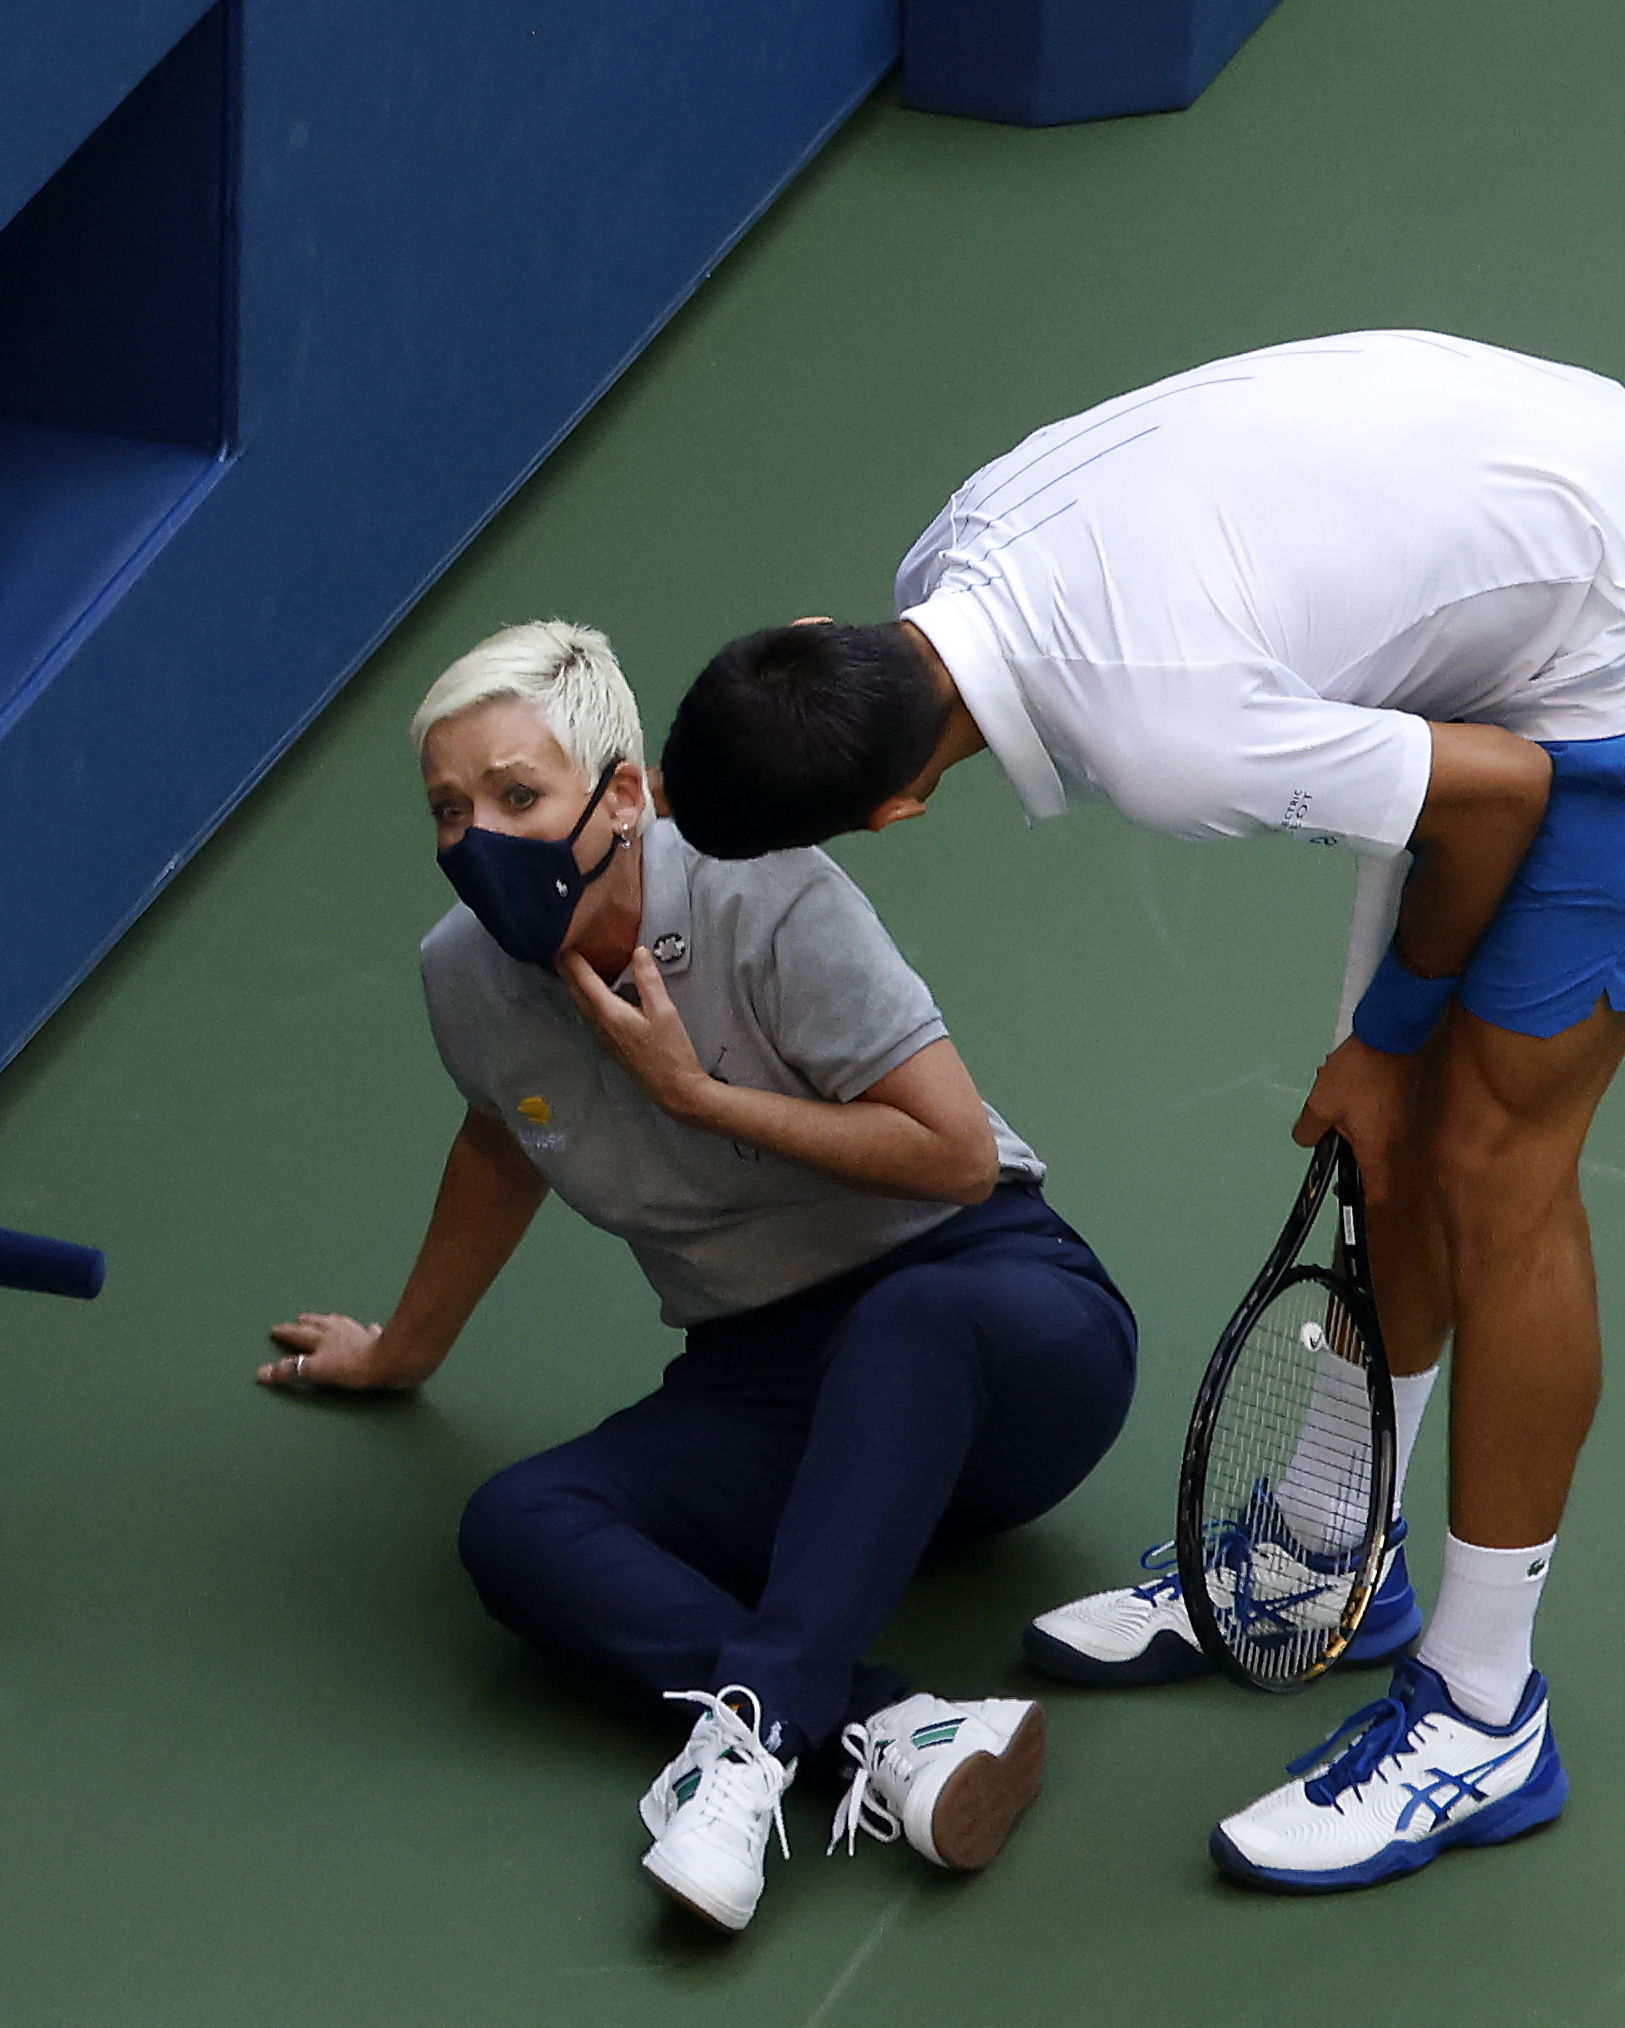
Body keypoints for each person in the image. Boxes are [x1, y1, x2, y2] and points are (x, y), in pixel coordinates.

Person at [659, 331, 1625, 1893]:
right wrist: (1379, 1049)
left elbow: (1500, 796)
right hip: (1526, 519)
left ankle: (1481, 1715)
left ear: (895, 809)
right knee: (1384, 1136)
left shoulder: (1168, 742)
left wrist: (1393, 1039)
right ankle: (1337, 1545)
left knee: (1486, 1161)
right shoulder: (957, 541)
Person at [261, 619, 1136, 1933]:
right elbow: (501, 1147)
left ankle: (750, 1753)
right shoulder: (466, 978)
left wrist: (692, 1093)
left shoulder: (766, 895)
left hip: (999, 1324)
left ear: (623, 794)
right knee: (520, 1527)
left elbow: (954, 1159)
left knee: (914, 1317)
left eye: (517, 795)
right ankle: (897, 1727)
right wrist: (403, 1351)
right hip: (774, 1382)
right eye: (450, 809)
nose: (478, 838)